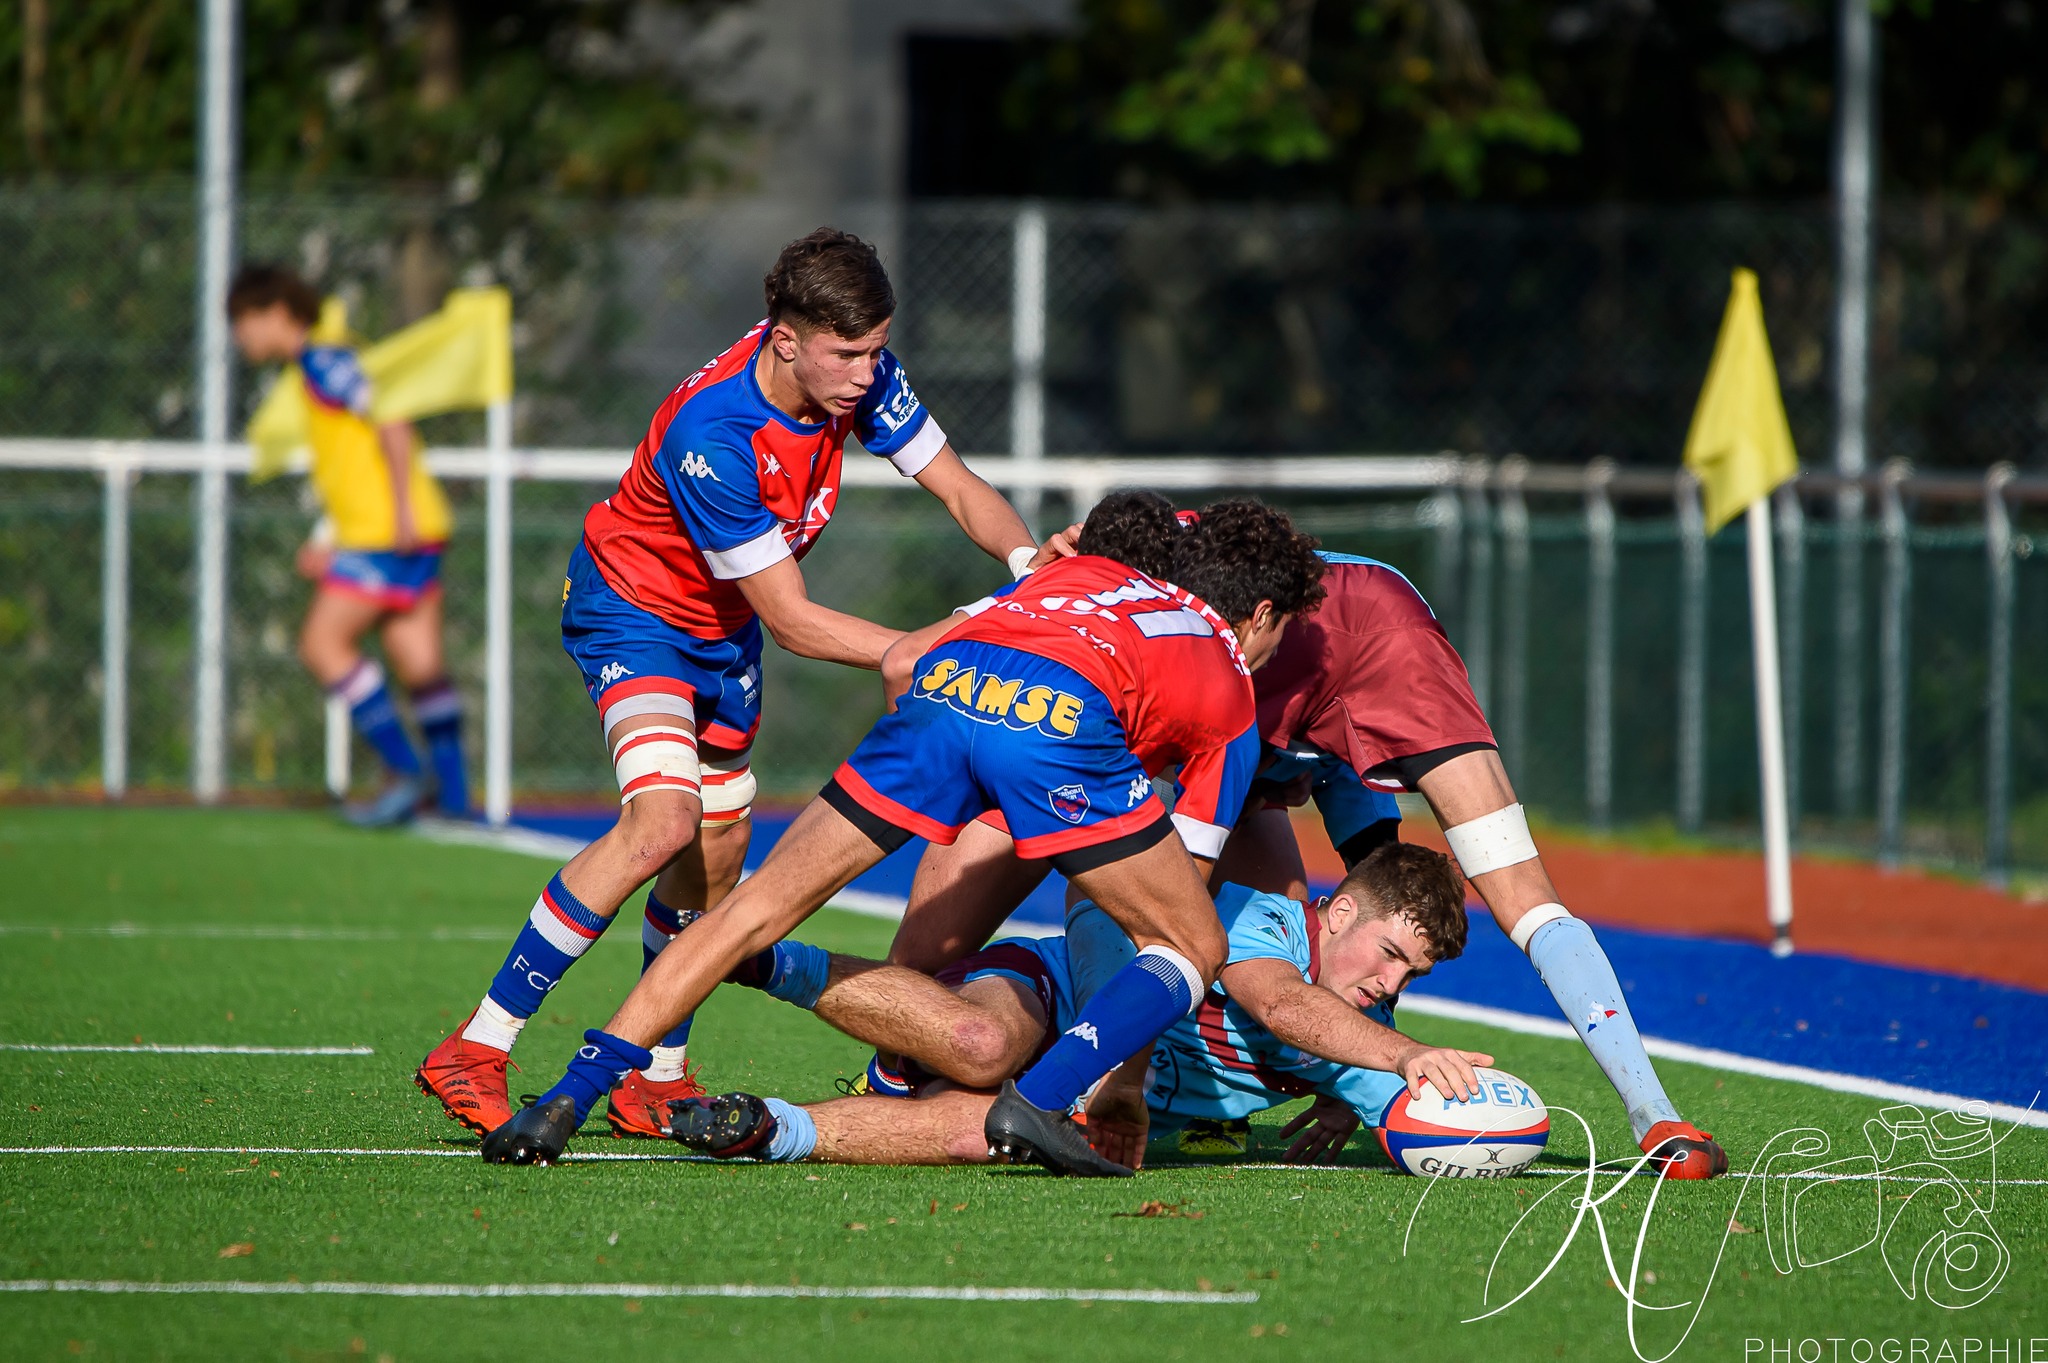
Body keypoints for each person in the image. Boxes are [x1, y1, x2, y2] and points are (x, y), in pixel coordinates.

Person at [413, 229, 1046, 1142]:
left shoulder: (857, 375)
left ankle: (656, 1073)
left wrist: (1031, 565)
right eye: (848, 354)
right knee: (662, 823)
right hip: (635, 614)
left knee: (716, 851)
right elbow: (793, 619)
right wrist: (921, 649)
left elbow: (957, 486)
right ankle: (478, 1043)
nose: (868, 373)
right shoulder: (715, 433)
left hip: (723, 626)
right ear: (785, 340)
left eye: (877, 350)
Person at [476, 499, 1326, 1173]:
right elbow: (1172, 905)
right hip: (1058, 728)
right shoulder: (1225, 674)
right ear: (1257, 615)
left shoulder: (1068, 574)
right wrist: (1123, 1086)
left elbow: (903, 659)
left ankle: (565, 1097)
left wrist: (954, 778)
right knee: (1194, 942)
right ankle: (1041, 1099)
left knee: (751, 907)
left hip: (945, 690)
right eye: (1282, 631)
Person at [870, 532, 1731, 1180]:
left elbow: (1411, 903)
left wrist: (1350, 1066)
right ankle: (939, 1056)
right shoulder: (1191, 597)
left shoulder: (1388, 685)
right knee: (982, 891)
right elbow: (919, 657)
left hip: (1260, 745)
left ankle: (1653, 1112)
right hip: (1094, 730)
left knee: (1263, 934)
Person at [666, 843, 1490, 1169]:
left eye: (1411, 975)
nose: (1391, 986)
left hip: (1073, 1103)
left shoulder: (1362, 1037)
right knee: (982, 1044)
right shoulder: (1260, 918)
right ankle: (760, 957)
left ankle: (767, 1126)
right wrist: (1402, 1054)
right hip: (1046, 996)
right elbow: (1281, 1006)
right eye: (1390, 954)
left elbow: (1426, 1121)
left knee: (986, 1135)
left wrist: (1490, 1122)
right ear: (1337, 913)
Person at [227, 265, 469, 826]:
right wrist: (329, 536)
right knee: (420, 664)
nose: (240, 336)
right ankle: (454, 799)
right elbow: (350, 465)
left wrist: (401, 510)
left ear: (276, 313)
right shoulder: (319, 361)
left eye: (242, 320)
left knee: (322, 644)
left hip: (386, 531)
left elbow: (391, 422)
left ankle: (405, 772)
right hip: (404, 526)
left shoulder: (324, 360)